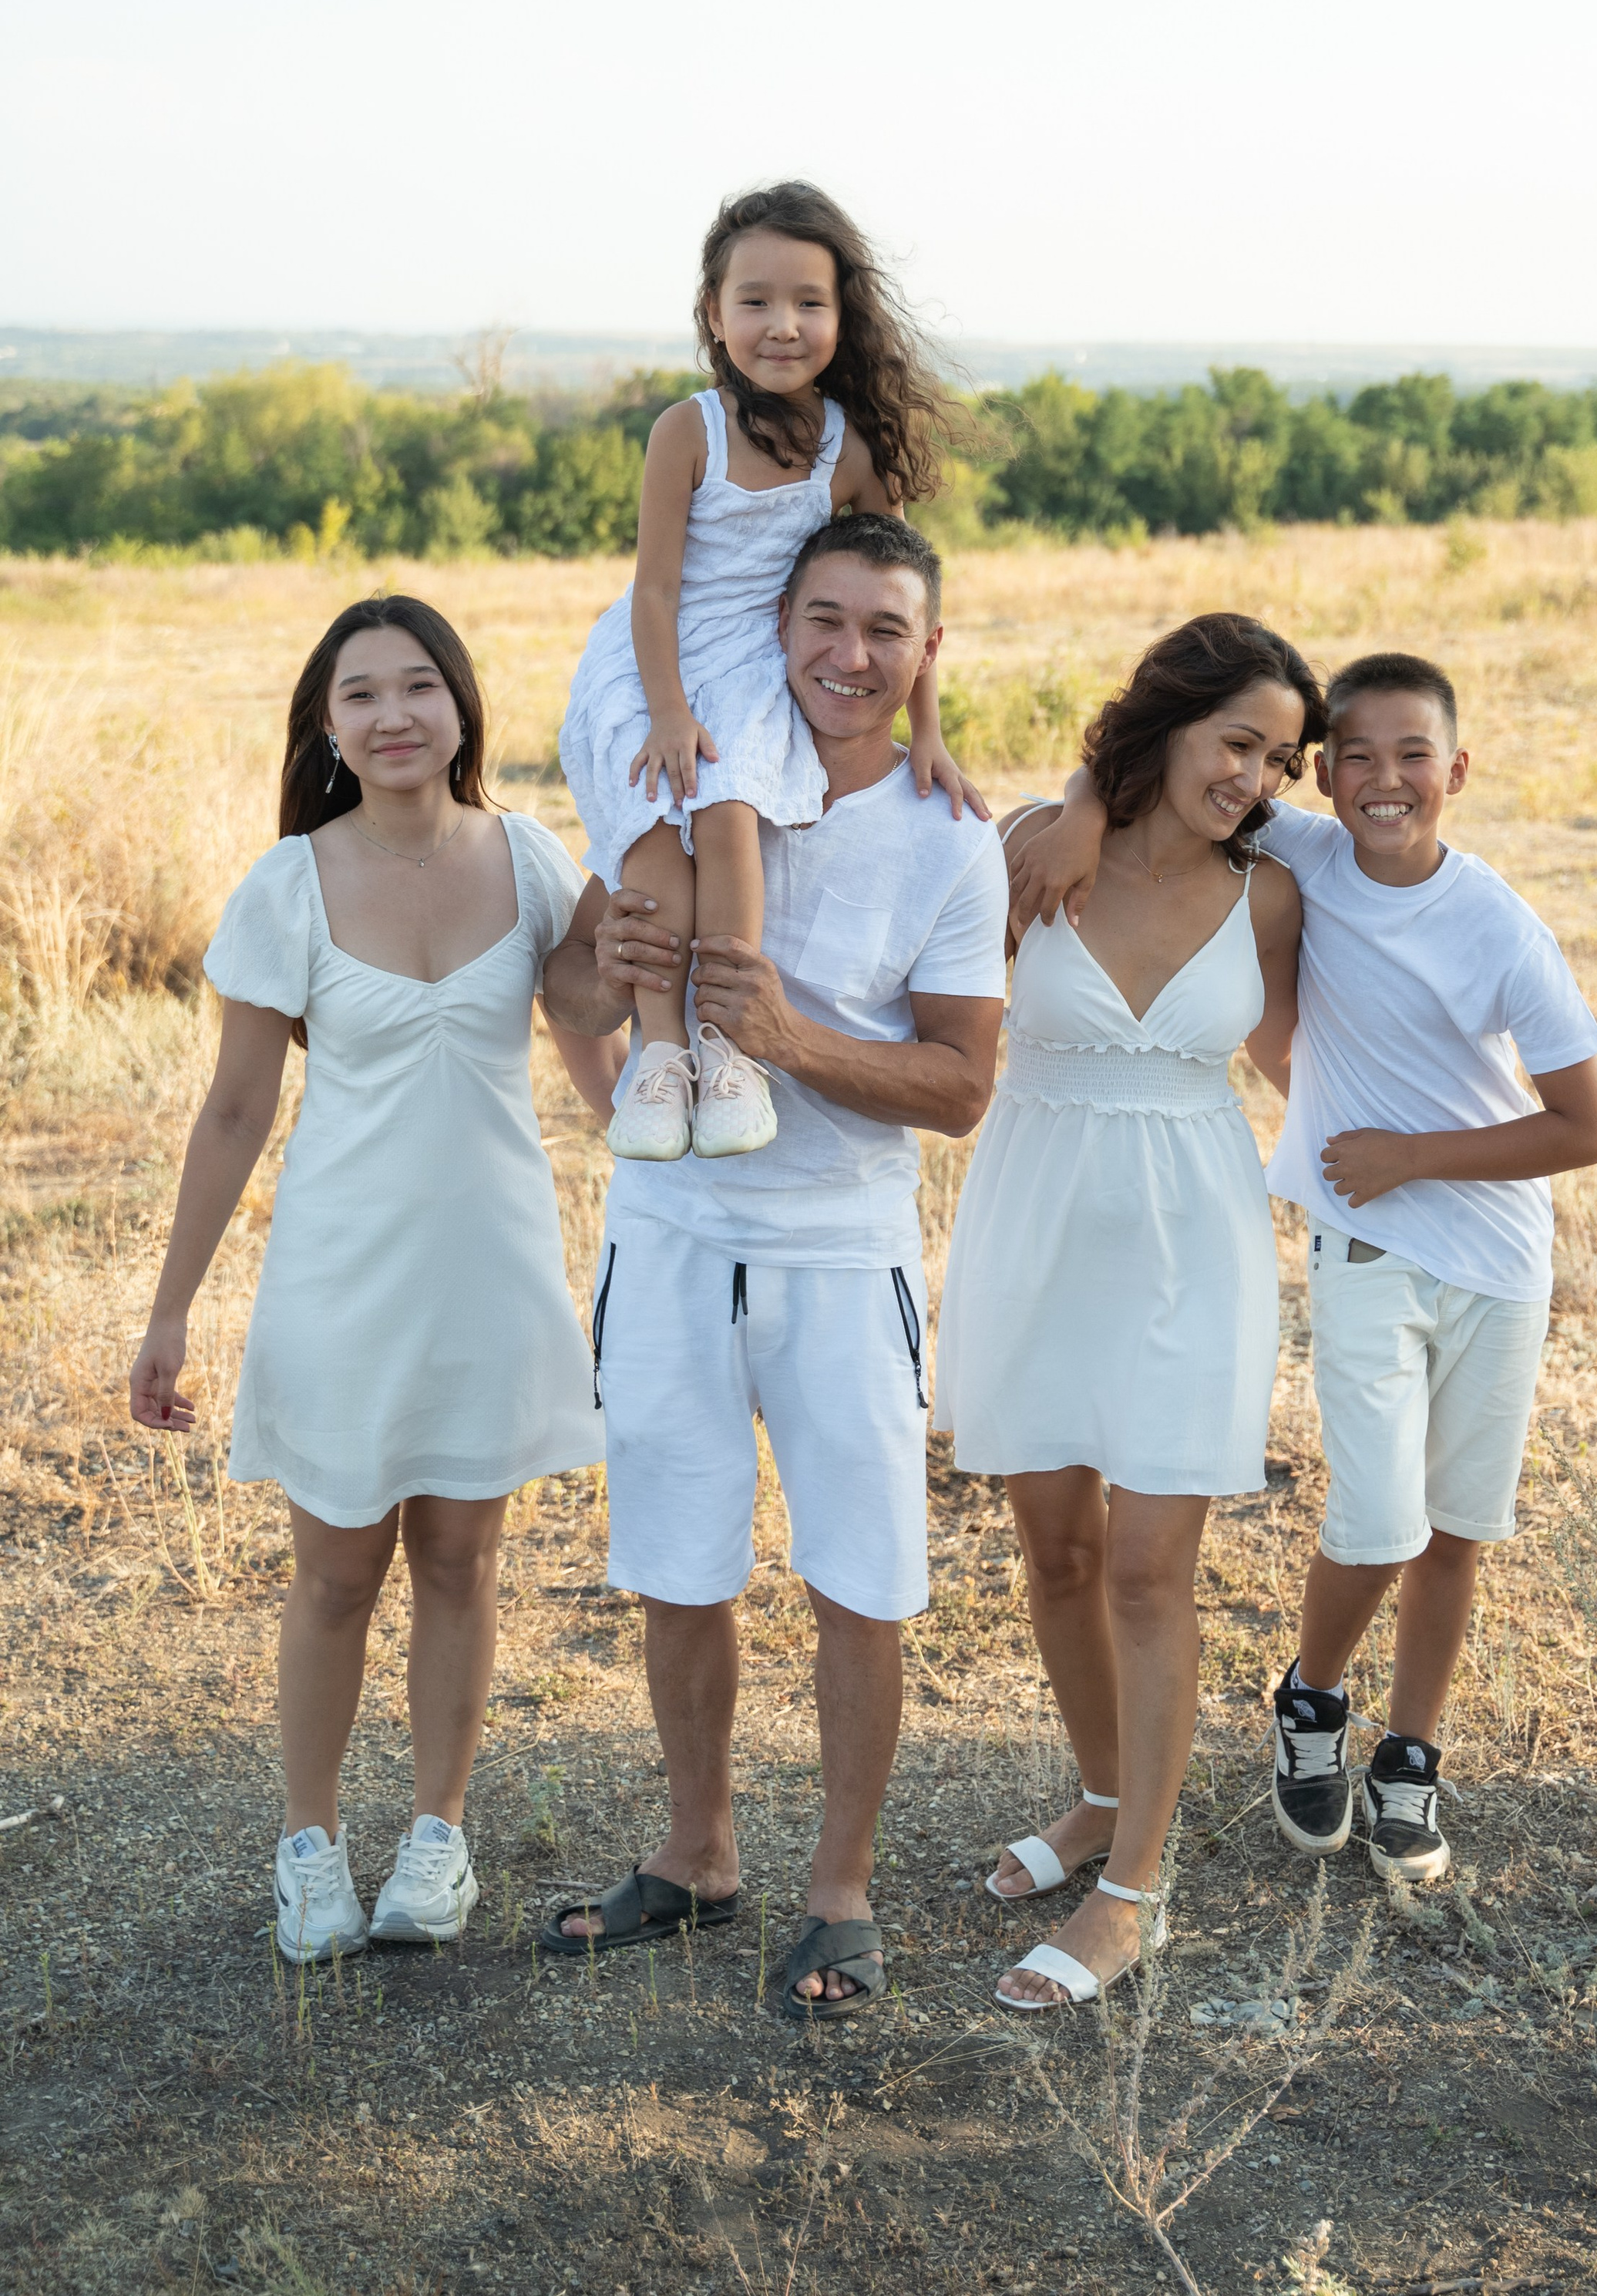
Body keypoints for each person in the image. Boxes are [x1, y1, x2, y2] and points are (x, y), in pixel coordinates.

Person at [1016, 650, 1597, 1888]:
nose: (1383, 781)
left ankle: (1412, 1748)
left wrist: (1416, 1151)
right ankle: (1313, 1696)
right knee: (1380, 1515)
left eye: (1413, 758)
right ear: (1326, 775)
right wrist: (1078, 804)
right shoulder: (1308, 851)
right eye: (1352, 756)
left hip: (1499, 1252)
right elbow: (1158, 760)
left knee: (1458, 1528)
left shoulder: (1500, 922)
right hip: (1365, 1240)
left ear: (1458, 771)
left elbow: (1587, 1126)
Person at [536, 512, 1007, 2015]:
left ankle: (840, 1892)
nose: (848, 656)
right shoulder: (686, 779)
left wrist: (789, 1037)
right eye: (822, 620)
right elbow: (578, 1013)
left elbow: (960, 1087)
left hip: (836, 1249)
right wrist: (602, 1003)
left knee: (858, 1579)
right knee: (679, 1564)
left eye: (884, 630)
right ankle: (695, 1855)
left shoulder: (950, 839)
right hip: (669, 1243)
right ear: (777, 626)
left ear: (927, 655)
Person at [128, 598, 617, 1963]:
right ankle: (310, 1843)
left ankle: (439, 1840)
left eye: (419, 687)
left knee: (462, 1560)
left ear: (462, 710)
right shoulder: (289, 882)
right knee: (336, 1570)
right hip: (342, 1273)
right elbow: (233, 1111)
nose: (393, 714)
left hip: (491, 1267)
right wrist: (169, 1309)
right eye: (362, 695)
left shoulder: (530, 860)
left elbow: (599, 1048)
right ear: (329, 725)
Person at [936, 615, 1314, 2012]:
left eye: (1279, 759)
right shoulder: (1037, 849)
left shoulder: (1277, 885)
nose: (1258, 779)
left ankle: (1133, 1889)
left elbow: (1393, 912)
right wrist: (1090, 799)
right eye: (1238, 745)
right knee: (1058, 1549)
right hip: (1033, 1221)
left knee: (1154, 1567)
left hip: (1191, 1242)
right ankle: (1099, 1793)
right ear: (1167, 722)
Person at [556, 181, 979, 1168]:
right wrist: (665, 711)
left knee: (730, 806)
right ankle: (660, 1055)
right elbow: (653, 590)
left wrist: (932, 731)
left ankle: (725, 1041)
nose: (781, 325)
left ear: (843, 314)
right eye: (754, 301)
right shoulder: (686, 430)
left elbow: (902, 601)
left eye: (808, 302)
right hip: (653, 655)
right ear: (713, 313)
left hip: (755, 659)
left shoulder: (848, 447)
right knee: (659, 835)